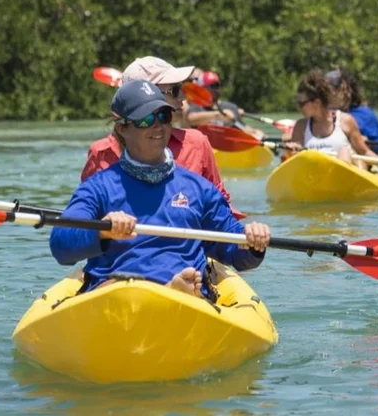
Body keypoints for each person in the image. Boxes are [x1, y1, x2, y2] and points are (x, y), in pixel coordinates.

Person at [51, 79, 270, 298]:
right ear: (122, 128)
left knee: (184, 286)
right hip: (115, 294)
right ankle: (164, 291)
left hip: (185, 295)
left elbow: (234, 251)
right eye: (146, 119)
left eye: (163, 116)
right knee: (114, 287)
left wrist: (252, 242)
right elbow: (61, 244)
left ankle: (173, 292)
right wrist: (101, 230)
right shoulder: (98, 188)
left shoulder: (199, 189)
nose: (158, 125)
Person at [81, 56, 244, 217]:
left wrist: (246, 234)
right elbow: (87, 216)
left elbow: (221, 206)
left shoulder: (197, 143)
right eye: (174, 91)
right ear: (146, 95)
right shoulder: (102, 152)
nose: (183, 97)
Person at [285, 69, 378, 169]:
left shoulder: (346, 121)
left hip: (341, 175)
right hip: (313, 176)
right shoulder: (301, 126)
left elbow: (364, 151)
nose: (298, 107)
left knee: (345, 150)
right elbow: (296, 156)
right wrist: (292, 149)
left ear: (317, 102)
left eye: (301, 103)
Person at [325, 68, 378, 156]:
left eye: (328, 90)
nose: (323, 95)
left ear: (343, 90)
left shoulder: (364, 115)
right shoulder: (320, 115)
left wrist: (368, 145)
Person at [184, 70, 265, 139]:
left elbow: (241, 127)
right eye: (211, 86)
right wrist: (218, 114)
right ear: (202, 89)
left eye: (217, 85)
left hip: (228, 150)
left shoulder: (230, 107)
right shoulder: (196, 106)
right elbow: (191, 120)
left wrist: (254, 132)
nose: (215, 89)